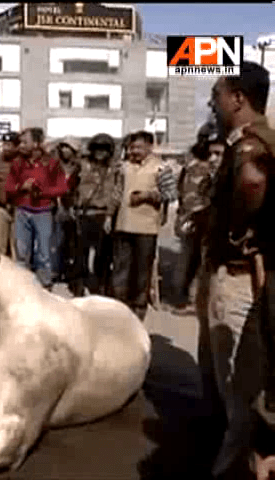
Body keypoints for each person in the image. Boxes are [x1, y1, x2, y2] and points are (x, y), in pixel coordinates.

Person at [200, 60, 275, 480]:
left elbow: (251, 185)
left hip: (239, 276)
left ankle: (232, 469)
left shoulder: (247, 144)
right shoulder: (269, 139)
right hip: (249, 274)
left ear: (238, 98)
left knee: (240, 386)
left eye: (217, 96)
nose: (213, 104)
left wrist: (239, 234)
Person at [111, 130, 177, 321]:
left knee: (142, 271)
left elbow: (171, 194)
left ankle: (139, 308)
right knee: (121, 268)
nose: (134, 151)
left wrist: (149, 195)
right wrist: (110, 216)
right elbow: (117, 192)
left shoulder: (161, 168)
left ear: (150, 147)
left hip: (146, 228)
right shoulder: (123, 167)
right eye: (132, 147)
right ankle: (118, 307)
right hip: (123, 225)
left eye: (139, 147)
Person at [5, 127, 67, 291]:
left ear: (37, 143)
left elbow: (62, 187)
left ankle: (45, 286)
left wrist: (43, 192)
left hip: (43, 212)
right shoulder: (18, 163)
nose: (21, 146)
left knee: (44, 252)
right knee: (21, 252)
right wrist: (21, 187)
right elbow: (9, 187)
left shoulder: (52, 164)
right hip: (22, 211)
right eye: (20, 142)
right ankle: (22, 286)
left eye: (25, 142)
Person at [171, 129, 224, 314]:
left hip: (206, 218)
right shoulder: (193, 164)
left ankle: (193, 299)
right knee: (190, 259)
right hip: (192, 216)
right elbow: (182, 190)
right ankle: (186, 298)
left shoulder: (217, 164)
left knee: (200, 260)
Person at [69, 133, 120, 296]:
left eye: (104, 149)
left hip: (104, 215)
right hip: (84, 213)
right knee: (80, 253)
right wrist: (71, 205)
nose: (100, 152)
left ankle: (100, 286)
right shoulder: (82, 165)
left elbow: (118, 192)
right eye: (97, 148)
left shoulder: (115, 169)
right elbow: (70, 186)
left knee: (103, 255)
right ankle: (78, 285)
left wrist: (110, 216)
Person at [50, 136, 81, 283]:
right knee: (56, 241)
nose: (65, 151)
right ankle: (56, 270)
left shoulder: (79, 167)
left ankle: (70, 271)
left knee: (72, 242)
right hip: (56, 207)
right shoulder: (54, 166)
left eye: (69, 148)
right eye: (63, 147)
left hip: (73, 209)